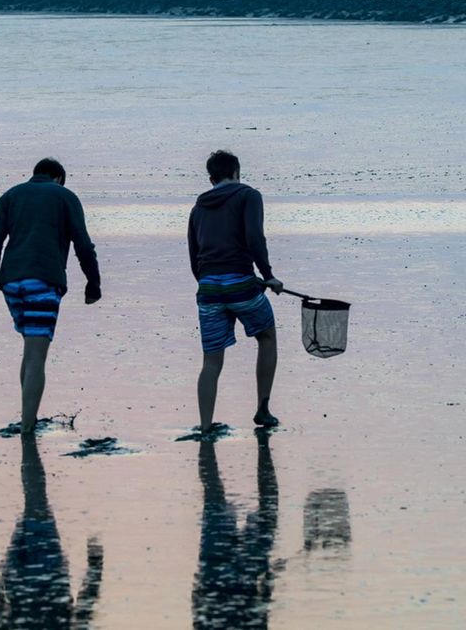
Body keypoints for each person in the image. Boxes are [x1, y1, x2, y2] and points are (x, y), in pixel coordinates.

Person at [0, 158, 101, 434]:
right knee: (36, 355)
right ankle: (27, 427)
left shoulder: (10, 196)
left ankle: (27, 416)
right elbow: (83, 243)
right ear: (59, 178)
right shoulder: (65, 197)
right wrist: (94, 283)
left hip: (11, 283)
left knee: (30, 349)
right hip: (43, 281)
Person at [188, 150, 283, 433]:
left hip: (208, 288)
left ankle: (205, 426)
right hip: (241, 283)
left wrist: (208, 283)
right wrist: (267, 276)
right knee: (266, 337)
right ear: (237, 172)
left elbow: (194, 256)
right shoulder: (249, 196)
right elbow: (255, 237)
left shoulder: (197, 208)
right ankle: (263, 409)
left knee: (211, 360)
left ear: (211, 178)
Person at [0, 434, 104, 630]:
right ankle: (27, 439)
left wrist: (96, 566)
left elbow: (84, 612)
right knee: (33, 503)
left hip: (43, 578)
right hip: (19, 581)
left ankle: (28, 439)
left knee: (35, 501)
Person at [192, 432, 278, 629]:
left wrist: (267, 583)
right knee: (216, 498)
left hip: (222, 574)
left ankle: (208, 441)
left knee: (216, 498)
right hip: (219, 574)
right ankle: (263, 450)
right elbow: (198, 608)